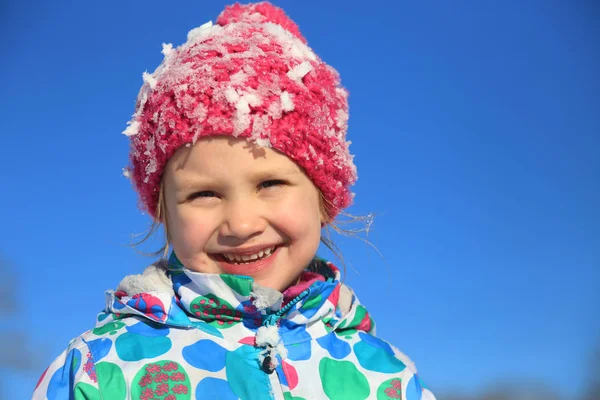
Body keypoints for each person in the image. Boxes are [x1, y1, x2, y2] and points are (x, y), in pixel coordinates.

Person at [32, 2, 436, 399]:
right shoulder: (102, 370)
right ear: (163, 213)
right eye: (204, 193)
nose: (241, 224)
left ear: (324, 197)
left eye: (270, 184)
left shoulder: (385, 378)